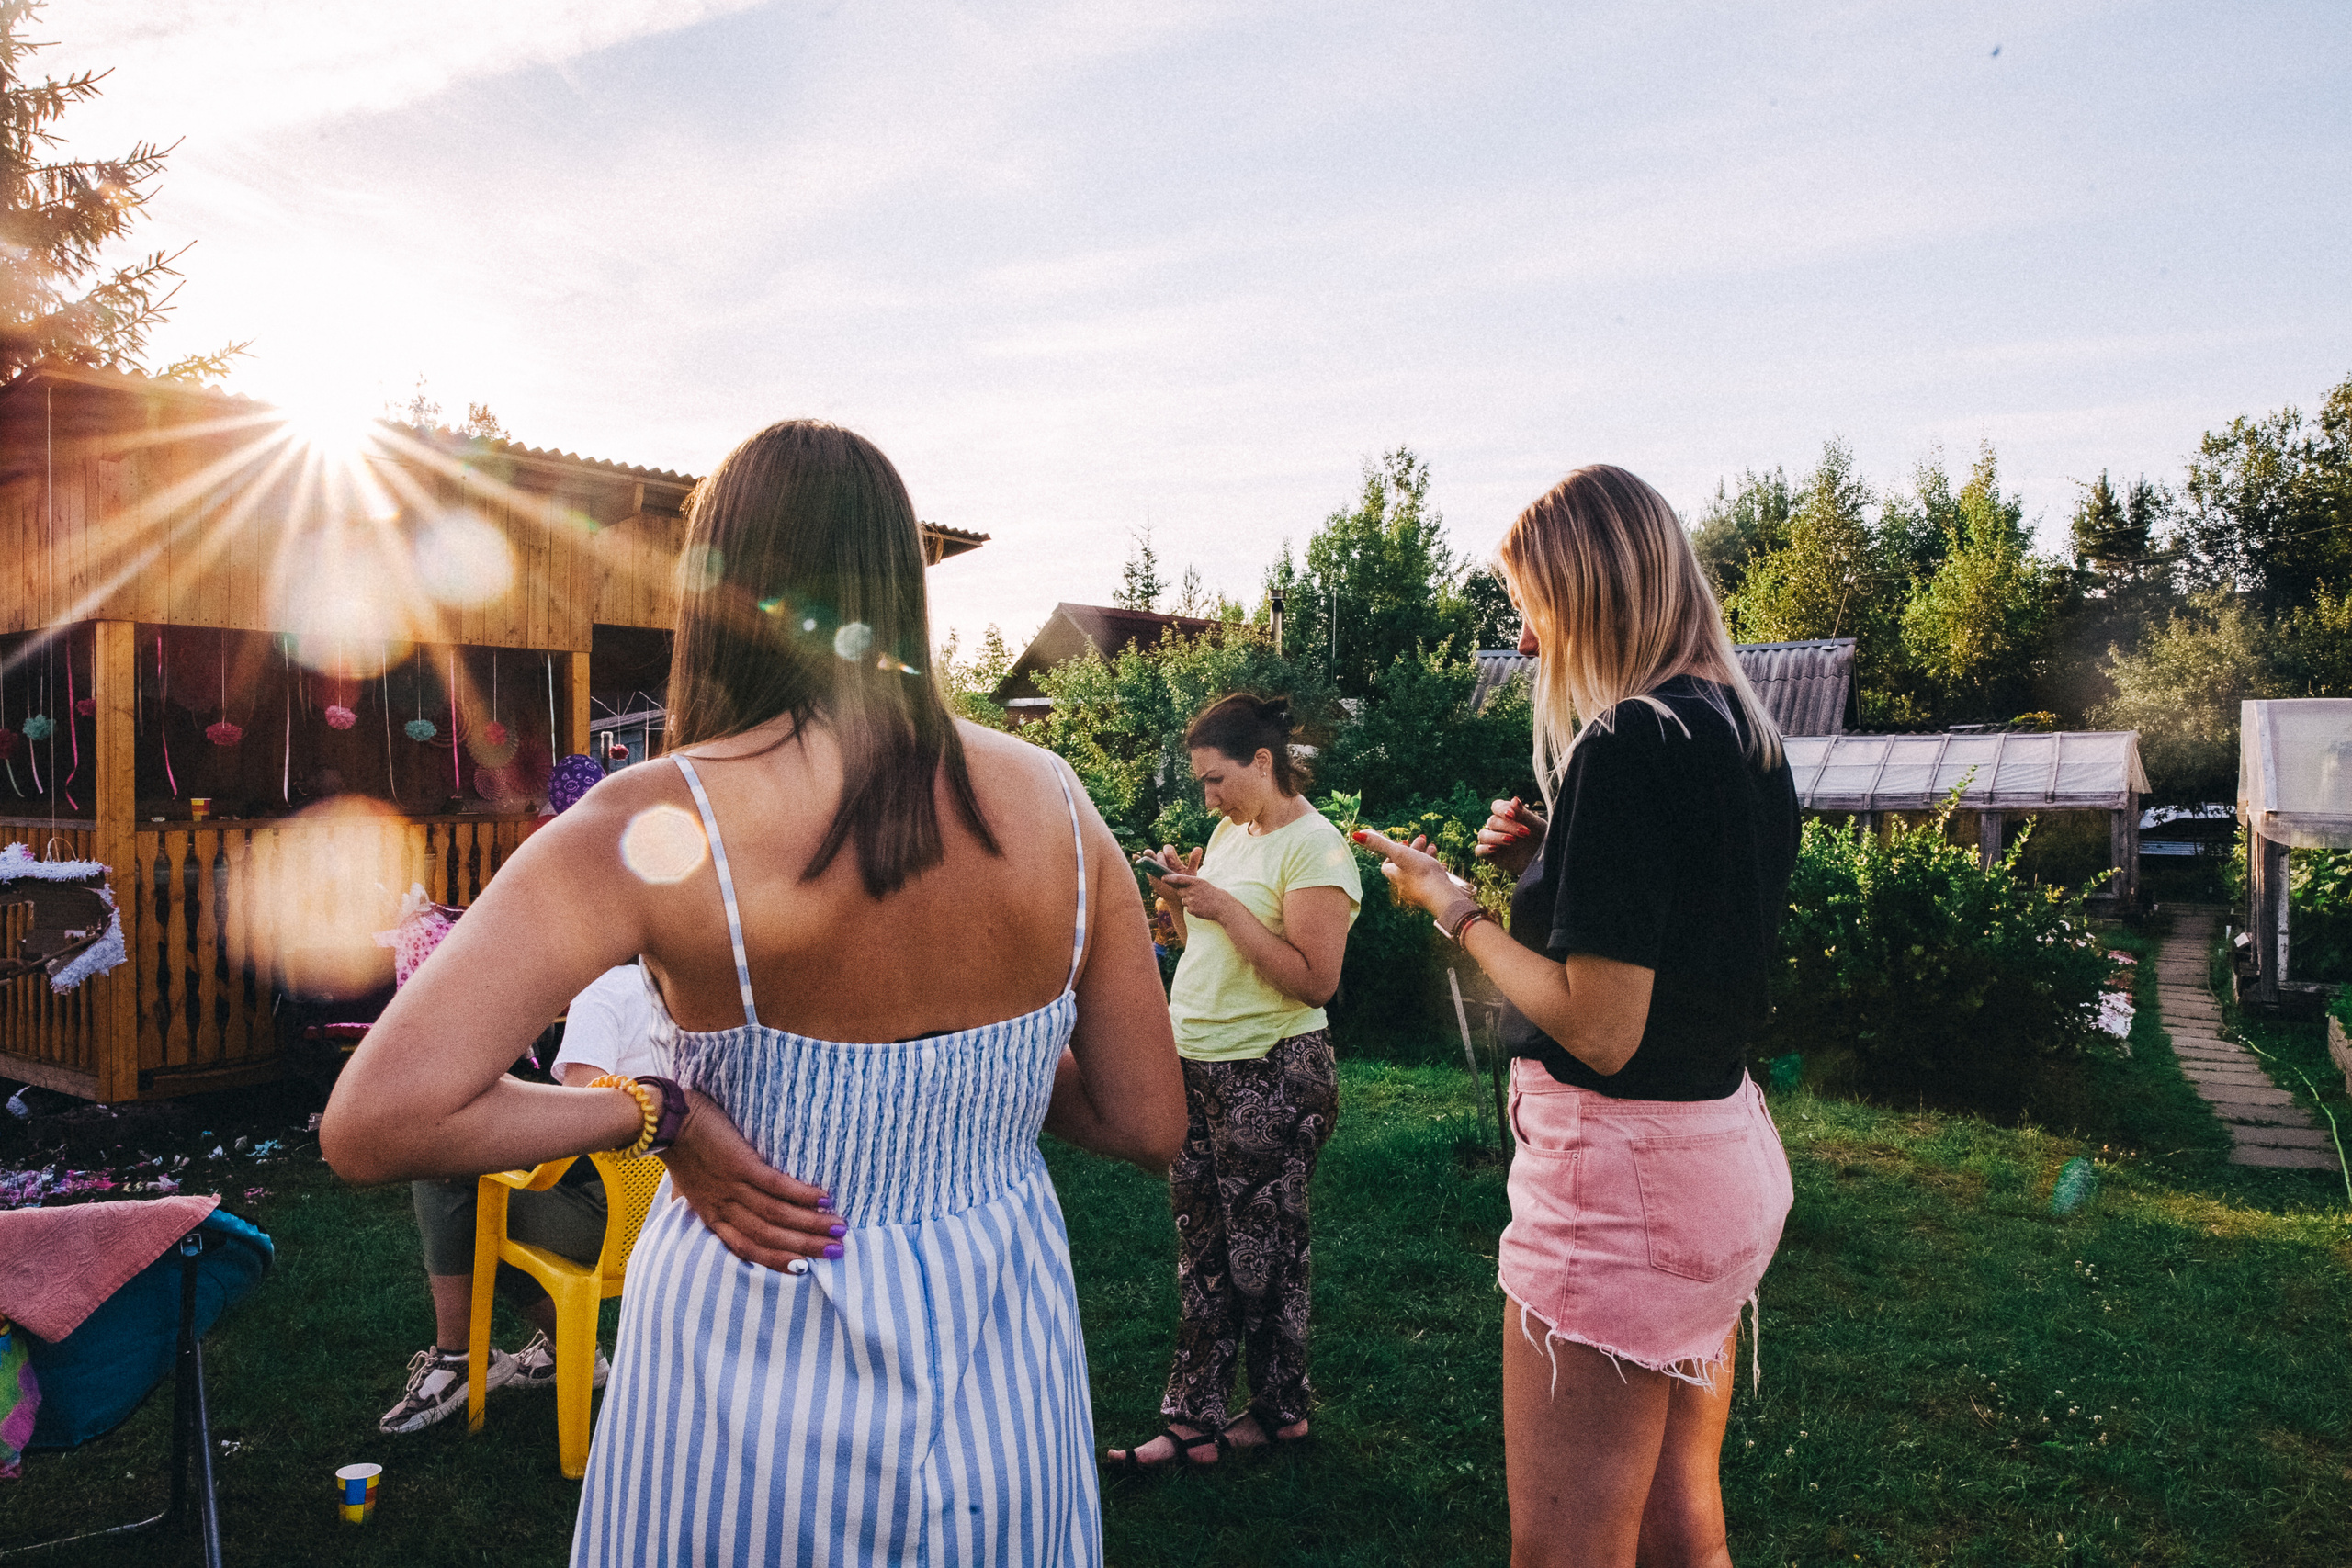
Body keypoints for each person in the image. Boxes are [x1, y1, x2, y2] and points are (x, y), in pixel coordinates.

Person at [322, 420, 1185, 1566]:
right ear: (896, 576)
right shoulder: (1057, 803)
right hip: (998, 1349)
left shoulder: (656, 820)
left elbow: (378, 1119)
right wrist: (982, 1072)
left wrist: (655, 1114)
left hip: (751, 1347)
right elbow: (1145, 1119)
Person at [1359, 464, 1798, 1568]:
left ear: (1592, 592)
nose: (1522, 637)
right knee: (1675, 1528)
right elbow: (1683, 932)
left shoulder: (1623, 740)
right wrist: (1551, 862)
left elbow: (1601, 1028)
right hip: (1717, 1155)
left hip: (1621, 1186)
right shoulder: (1742, 736)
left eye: (1531, 604)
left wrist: (1452, 907)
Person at [1106, 694, 1361, 1472]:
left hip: (1274, 1070)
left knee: (1264, 1256)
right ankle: (1193, 1420)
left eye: (1217, 780)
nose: (1208, 798)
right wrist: (1183, 900)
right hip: (1199, 1063)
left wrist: (1222, 905)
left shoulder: (1315, 849)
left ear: (1262, 761)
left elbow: (1315, 980)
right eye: (1202, 784)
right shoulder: (1228, 834)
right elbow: (1209, 947)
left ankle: (1280, 1411)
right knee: (1204, 1249)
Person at [378, 962, 658, 1435]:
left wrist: (497, 1099)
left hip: (610, 1224)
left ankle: (461, 1358)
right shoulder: (690, 993)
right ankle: (569, 1349)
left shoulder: (602, 996)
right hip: (671, 1220)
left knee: (439, 1170)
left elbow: (578, 1128)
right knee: (477, 1191)